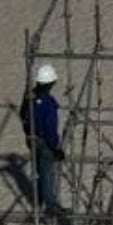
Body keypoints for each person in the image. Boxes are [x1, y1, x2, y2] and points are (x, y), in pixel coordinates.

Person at [19, 64, 64, 214]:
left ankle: (39, 201)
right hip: (44, 142)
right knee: (47, 173)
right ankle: (51, 205)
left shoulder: (31, 98)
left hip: (31, 139)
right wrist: (55, 149)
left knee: (38, 171)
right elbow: (50, 129)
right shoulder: (47, 103)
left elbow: (22, 115)